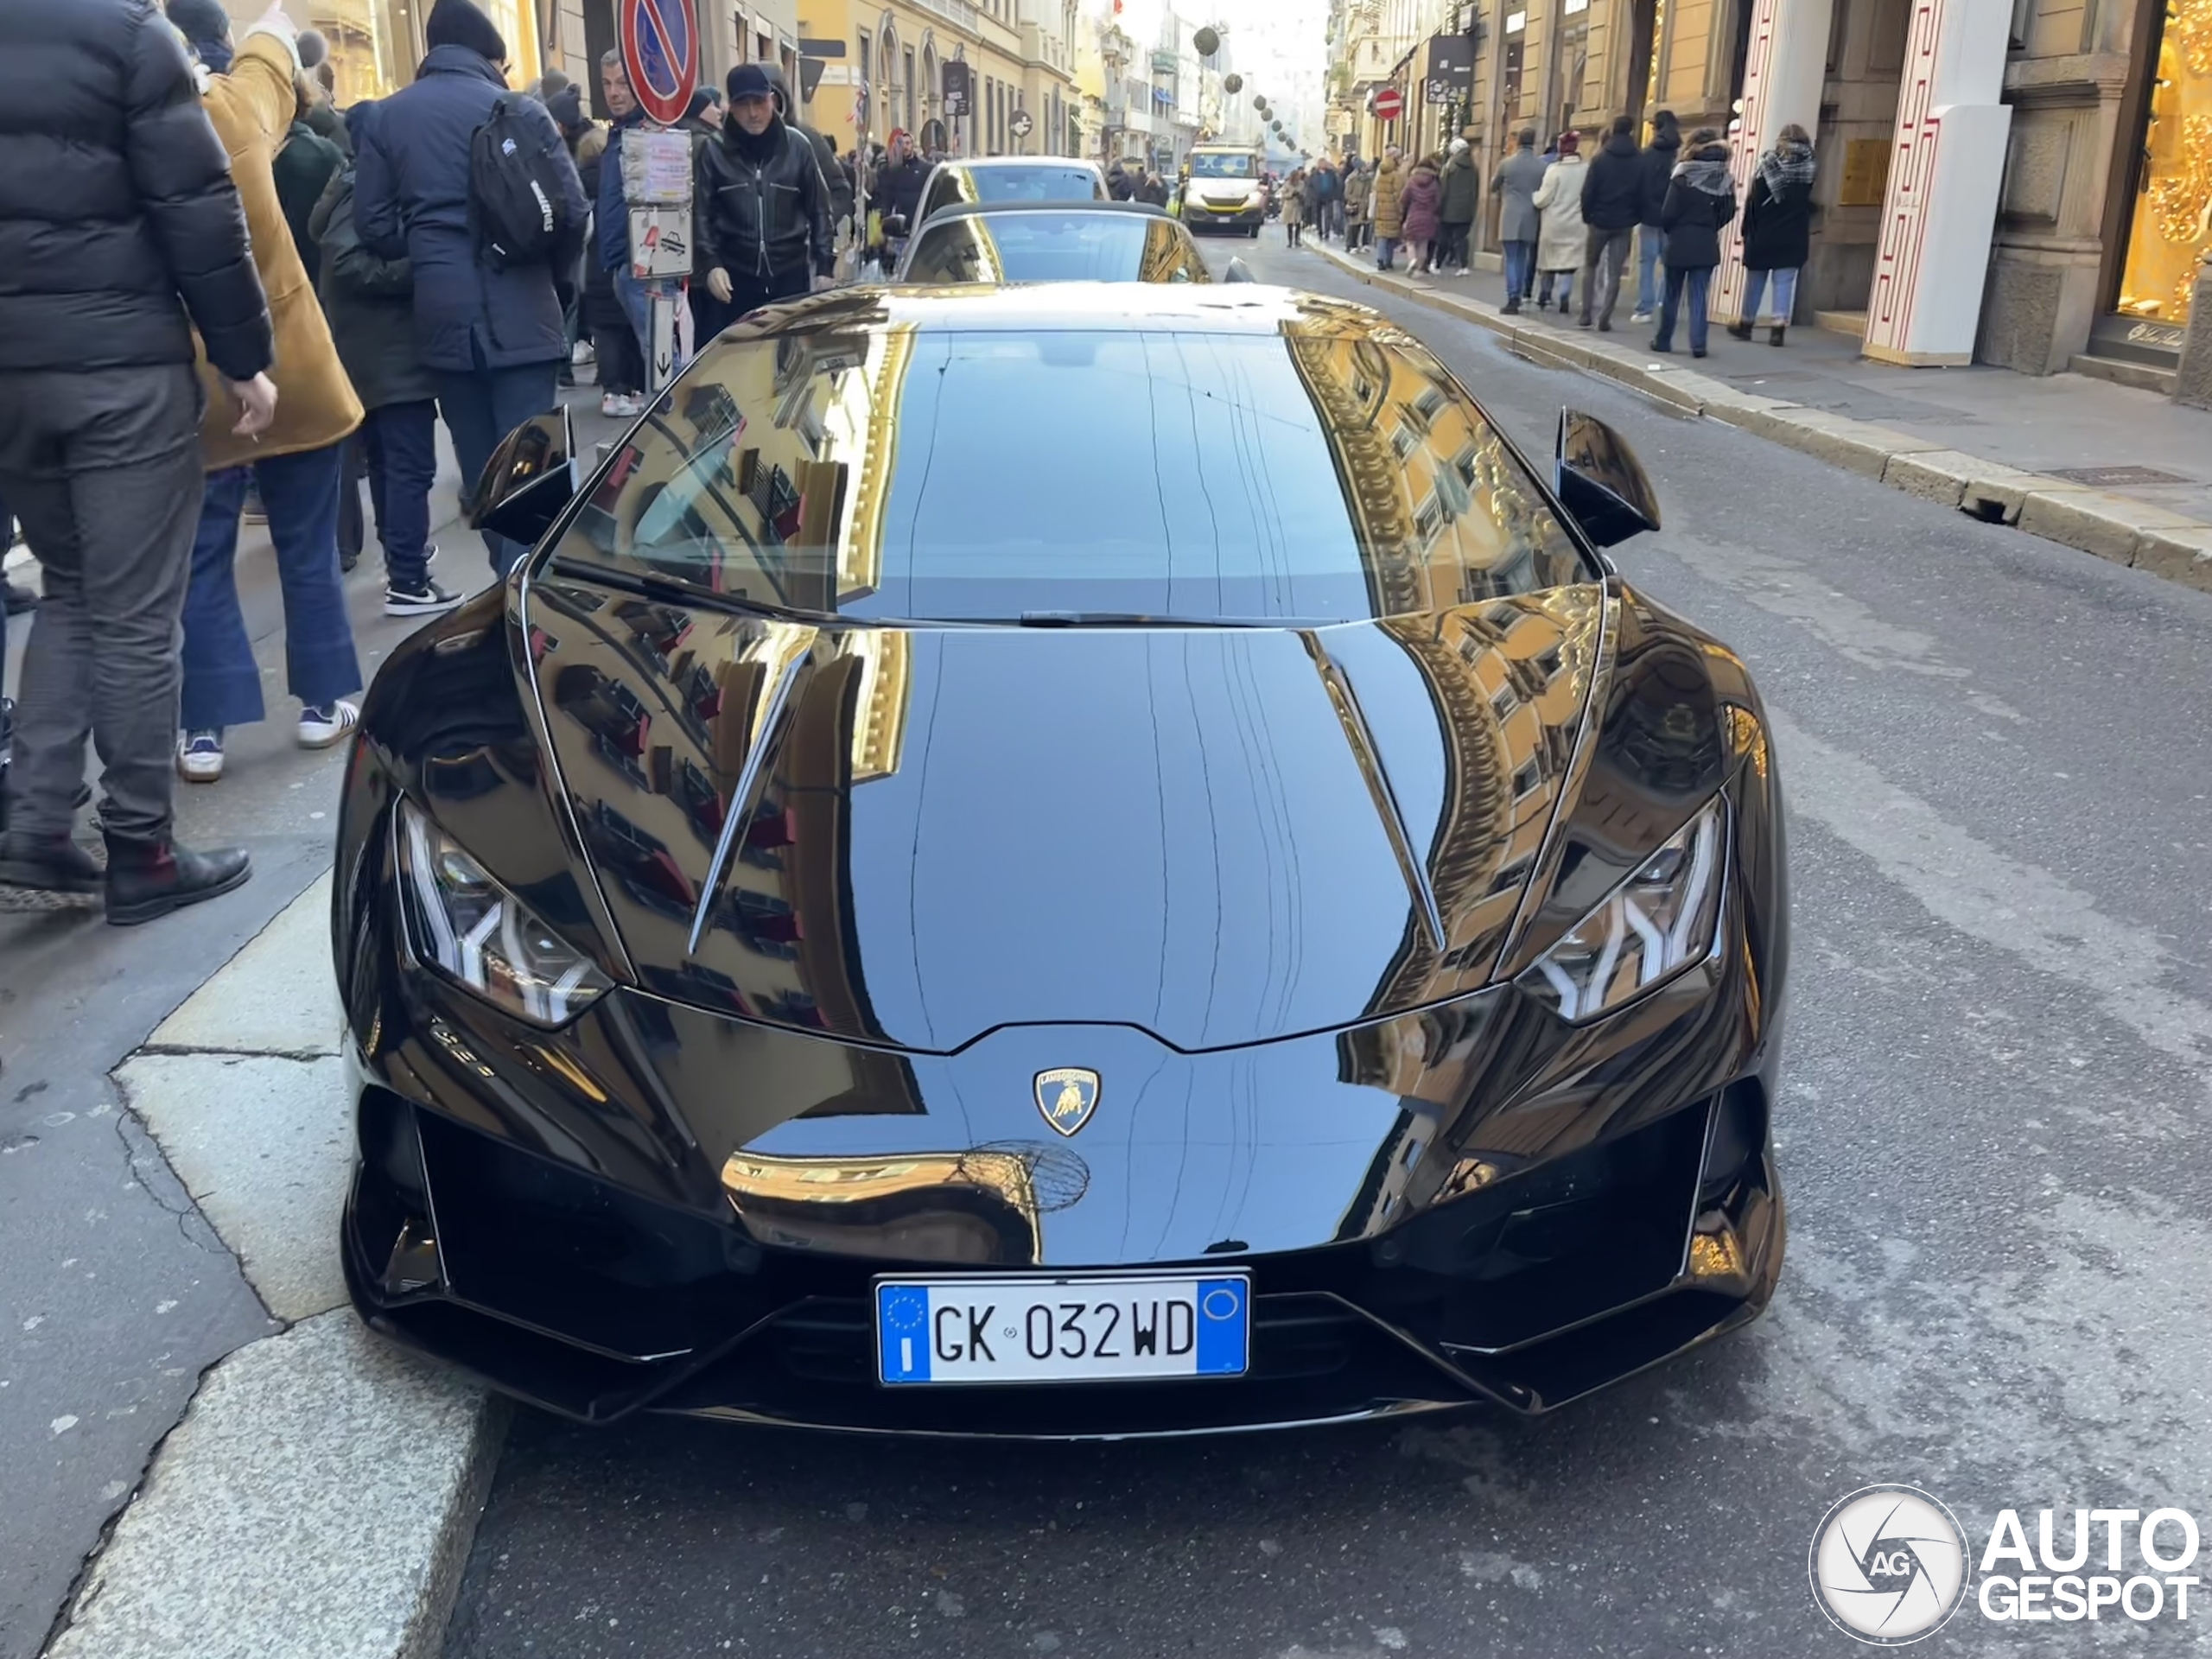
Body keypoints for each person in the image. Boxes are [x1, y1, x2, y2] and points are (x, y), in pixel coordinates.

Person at [0, 0, 272, 917]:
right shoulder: (127, 37)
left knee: (72, 589)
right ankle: (140, 850)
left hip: (12, 377)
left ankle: (37, 828)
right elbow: (197, 207)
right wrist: (243, 360)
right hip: (121, 371)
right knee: (135, 616)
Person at [168, 0, 367, 790]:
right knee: (308, 547)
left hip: (196, 380)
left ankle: (204, 729)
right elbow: (268, 54)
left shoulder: (128, 142)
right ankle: (322, 705)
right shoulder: (235, 109)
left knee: (204, 558)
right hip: (293, 371)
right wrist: (271, 24)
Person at [356, 0, 586, 577]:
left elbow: (374, 225)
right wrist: (556, 283)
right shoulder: (519, 110)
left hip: (443, 318)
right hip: (525, 314)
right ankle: (523, 597)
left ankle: (503, 583)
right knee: (530, 476)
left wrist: (432, 251)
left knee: (483, 472)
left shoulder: (388, 117)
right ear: (490, 56)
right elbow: (572, 212)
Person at [312, 102, 459, 617]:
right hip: (389, 356)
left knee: (390, 467)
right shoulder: (360, 192)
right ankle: (408, 578)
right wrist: (419, 267)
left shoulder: (353, 187)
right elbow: (348, 263)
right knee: (409, 468)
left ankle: (406, 561)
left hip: (378, 353)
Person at [696, 65, 833, 326]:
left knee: (789, 357)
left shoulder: (798, 147)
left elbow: (820, 210)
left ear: (771, 100)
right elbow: (703, 214)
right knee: (741, 358)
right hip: (735, 277)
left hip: (790, 274)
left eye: (759, 102)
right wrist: (712, 264)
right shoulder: (714, 151)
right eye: (743, 104)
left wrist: (824, 266)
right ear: (731, 108)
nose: (753, 113)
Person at [576, 55, 644, 417]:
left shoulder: (641, 131)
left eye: (622, 83)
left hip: (641, 261)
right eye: (606, 84)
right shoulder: (617, 132)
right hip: (619, 261)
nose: (614, 93)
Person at [1652, 126, 1737, 358]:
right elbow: (1729, 211)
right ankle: (1698, 345)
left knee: (1671, 293)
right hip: (1706, 240)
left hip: (1679, 240)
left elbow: (1668, 212)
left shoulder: (1682, 174)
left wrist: (1674, 230)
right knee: (1699, 294)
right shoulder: (1724, 177)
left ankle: (1663, 340)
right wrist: (1710, 225)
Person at [1732, 124, 1815, 346]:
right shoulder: (1809, 167)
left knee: (1755, 280)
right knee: (1785, 282)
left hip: (1764, 231)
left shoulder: (1767, 164)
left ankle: (1746, 324)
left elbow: (1754, 202)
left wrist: (1746, 229)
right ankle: (1778, 327)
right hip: (1793, 233)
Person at [1578, 114, 1643, 330]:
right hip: (1624, 222)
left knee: (1590, 266)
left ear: (1613, 130)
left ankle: (1586, 313)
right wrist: (1635, 216)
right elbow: (1642, 192)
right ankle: (1605, 317)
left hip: (1599, 220)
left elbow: (1588, 191)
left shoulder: (1600, 158)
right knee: (1615, 271)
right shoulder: (1638, 158)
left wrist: (1588, 215)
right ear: (1631, 131)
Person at [1530, 129, 1587, 314]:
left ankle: (1545, 295)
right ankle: (1565, 293)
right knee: (1569, 263)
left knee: (1549, 262)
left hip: (1554, 223)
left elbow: (1543, 199)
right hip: (1577, 223)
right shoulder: (1585, 169)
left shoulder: (1554, 170)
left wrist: (1534, 196)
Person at [1632, 108, 1680, 324]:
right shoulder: (1680, 154)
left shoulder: (1647, 154)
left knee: (1647, 262)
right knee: (1669, 262)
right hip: (1672, 216)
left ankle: (1645, 308)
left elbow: (1640, 185)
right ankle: (1666, 302)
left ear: (1656, 128)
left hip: (1649, 215)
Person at [1491, 128, 1545, 313]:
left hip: (1510, 215)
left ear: (1519, 141)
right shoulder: (1542, 166)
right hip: (1531, 215)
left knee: (1512, 258)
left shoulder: (1507, 164)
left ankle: (1513, 297)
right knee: (1523, 257)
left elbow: (1493, 185)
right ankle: (1520, 294)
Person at [870, 128, 929, 270]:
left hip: (918, 229)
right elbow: (883, 201)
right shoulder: (888, 172)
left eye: (908, 143)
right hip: (895, 233)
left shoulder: (926, 170)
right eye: (902, 143)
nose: (906, 146)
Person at [1437, 137, 1478, 275]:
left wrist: (1439, 206)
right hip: (1467, 209)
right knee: (1461, 238)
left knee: (1444, 238)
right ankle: (1464, 266)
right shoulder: (1473, 166)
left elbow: (1443, 187)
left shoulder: (1450, 166)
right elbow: (1476, 189)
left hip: (1449, 209)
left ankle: (1437, 264)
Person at [1400, 153, 1442, 276]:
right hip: (1428, 217)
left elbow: (1404, 198)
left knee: (1410, 241)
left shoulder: (1412, 181)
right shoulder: (1434, 183)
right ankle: (1420, 268)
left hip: (1413, 214)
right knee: (1423, 244)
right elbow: (1438, 201)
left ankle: (1412, 259)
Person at [1371, 146, 1406, 270]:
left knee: (1382, 236)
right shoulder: (1396, 176)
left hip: (1381, 209)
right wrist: (1401, 210)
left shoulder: (1380, 173)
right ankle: (1388, 261)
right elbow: (1399, 194)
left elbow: (1375, 190)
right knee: (1391, 238)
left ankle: (1380, 259)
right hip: (1392, 211)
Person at [1281, 167, 1306, 246]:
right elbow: (1283, 195)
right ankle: (1290, 241)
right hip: (1289, 206)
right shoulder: (1287, 184)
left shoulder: (1302, 184)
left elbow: (1304, 193)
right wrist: (1291, 194)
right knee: (1290, 224)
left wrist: (1300, 195)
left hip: (1298, 205)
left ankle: (1297, 240)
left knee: (1298, 223)